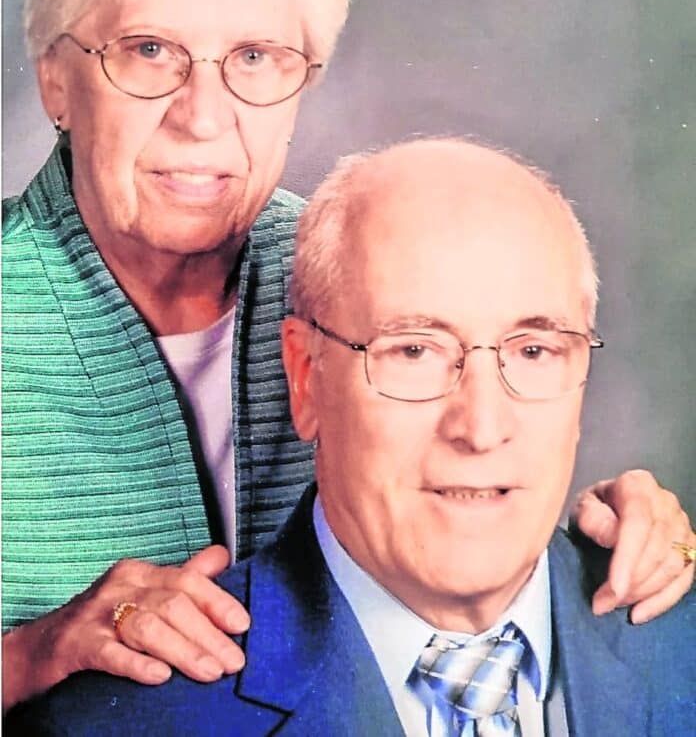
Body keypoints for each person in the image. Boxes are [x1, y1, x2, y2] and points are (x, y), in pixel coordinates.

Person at [2, 0, 692, 714]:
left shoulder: (364, 272)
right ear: (56, 79)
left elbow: (472, 484)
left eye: (255, 57)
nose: (203, 115)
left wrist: (618, 543)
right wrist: (26, 656)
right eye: (148, 50)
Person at [7, 138, 693, 736]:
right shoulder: (115, 722)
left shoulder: (678, 635)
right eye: (413, 351)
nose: (482, 429)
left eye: (534, 351)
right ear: (305, 378)